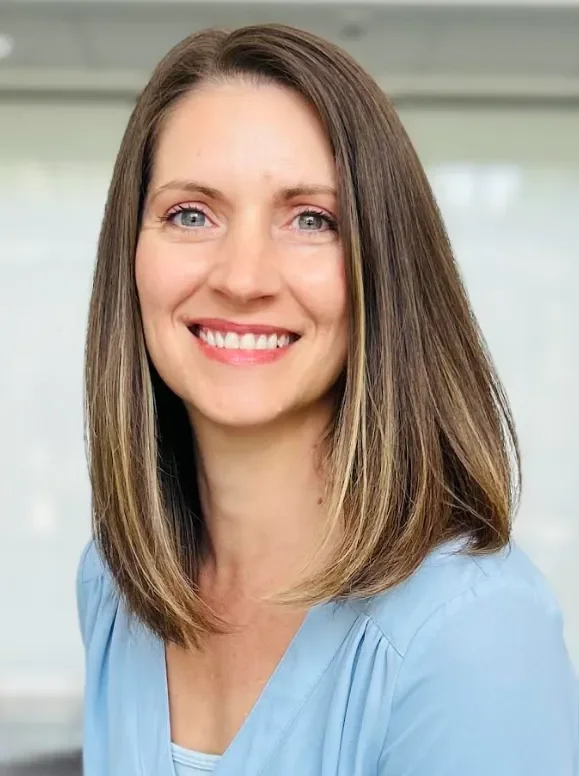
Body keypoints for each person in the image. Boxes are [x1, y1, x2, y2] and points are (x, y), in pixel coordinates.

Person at [77, 23, 578, 776]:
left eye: (312, 220)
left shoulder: (473, 635)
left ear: (383, 269)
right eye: (191, 214)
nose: (242, 277)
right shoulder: (115, 585)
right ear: (132, 253)